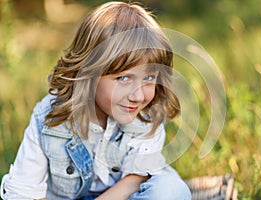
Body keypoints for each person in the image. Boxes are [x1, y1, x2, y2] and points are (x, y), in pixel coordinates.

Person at [0, 1, 191, 200]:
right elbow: (22, 191)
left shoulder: (149, 113)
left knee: (172, 190)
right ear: (89, 73)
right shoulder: (49, 118)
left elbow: (136, 179)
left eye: (149, 78)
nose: (139, 96)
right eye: (123, 78)